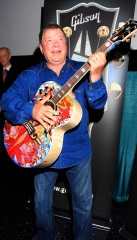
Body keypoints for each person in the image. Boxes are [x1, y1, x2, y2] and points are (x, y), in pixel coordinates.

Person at [1, 23, 108, 240]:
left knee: (83, 206)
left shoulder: (83, 69)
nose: (55, 44)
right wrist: (32, 109)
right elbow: (6, 101)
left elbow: (98, 105)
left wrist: (95, 76)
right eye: (49, 40)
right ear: (41, 48)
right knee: (41, 206)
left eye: (59, 39)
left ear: (66, 44)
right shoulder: (29, 75)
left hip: (77, 151)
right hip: (40, 151)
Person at [0, 47, 22, 155]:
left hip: (11, 112)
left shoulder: (19, 72)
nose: (1, 58)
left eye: (4, 55)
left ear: (9, 56)